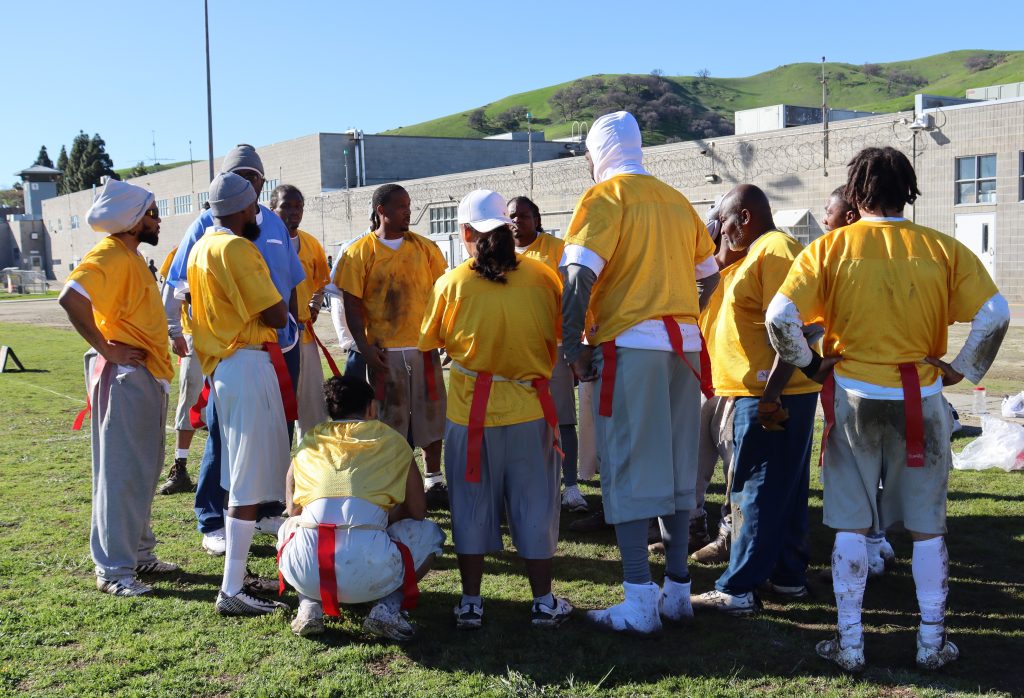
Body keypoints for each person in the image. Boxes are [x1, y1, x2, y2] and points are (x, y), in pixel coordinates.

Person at [767, 146, 1010, 671]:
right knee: (927, 526)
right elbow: (995, 314)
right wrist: (962, 369)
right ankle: (931, 642)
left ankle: (851, 643)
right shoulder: (942, 248)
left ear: (856, 194)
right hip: (920, 400)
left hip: (854, 397)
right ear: (910, 192)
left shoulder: (828, 249)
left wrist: (810, 366)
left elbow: (780, 317)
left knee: (851, 525)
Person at [560, 111, 719, 634]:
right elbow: (709, 274)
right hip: (683, 349)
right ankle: (677, 590)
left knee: (628, 468)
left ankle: (637, 597)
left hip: (630, 347)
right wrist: (680, 312)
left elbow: (580, 275)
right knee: (676, 471)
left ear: (597, 153)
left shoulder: (605, 198)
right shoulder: (674, 199)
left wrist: (573, 346)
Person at [418, 189, 572, 630]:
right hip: (528, 413)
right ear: (507, 227)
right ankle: (543, 602)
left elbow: (432, 343)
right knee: (536, 505)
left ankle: (471, 602)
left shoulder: (450, 284)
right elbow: (559, 333)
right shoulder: (544, 277)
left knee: (469, 505)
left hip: (471, 417)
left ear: (465, 232)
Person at [165, 144, 305, 554]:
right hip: (233, 351)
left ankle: (264, 508)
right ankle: (212, 516)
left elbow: (290, 283)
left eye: (252, 176)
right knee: (225, 436)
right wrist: (181, 331)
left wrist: (294, 329)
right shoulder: (210, 230)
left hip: (278, 347)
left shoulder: (274, 226)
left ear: (262, 183)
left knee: (277, 430)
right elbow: (180, 286)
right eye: (238, 176)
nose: (247, 183)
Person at [691, 185, 821, 615]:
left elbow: (798, 327)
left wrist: (771, 393)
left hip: (769, 392)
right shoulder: (751, 255)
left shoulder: (774, 249)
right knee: (780, 488)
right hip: (766, 391)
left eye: (724, 221)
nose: (720, 230)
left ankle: (738, 587)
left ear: (744, 217)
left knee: (753, 489)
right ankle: (786, 577)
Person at [59, 178, 179, 597]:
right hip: (126, 379)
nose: (157, 220)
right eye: (151, 213)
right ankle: (113, 569)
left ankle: (139, 554)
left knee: (143, 470)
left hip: (147, 377)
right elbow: (71, 297)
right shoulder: (109, 253)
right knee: (122, 473)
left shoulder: (128, 256)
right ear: (132, 221)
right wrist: (106, 348)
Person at [187, 172, 292, 616]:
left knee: (239, 479)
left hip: (226, 369)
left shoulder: (199, 248)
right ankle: (231, 590)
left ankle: (237, 579)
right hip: (246, 363)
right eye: (255, 208)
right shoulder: (236, 247)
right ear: (245, 207)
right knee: (248, 482)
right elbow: (276, 310)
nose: (258, 215)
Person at [279, 375, 445, 640]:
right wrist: (383, 517)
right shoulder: (392, 440)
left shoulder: (310, 440)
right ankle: (389, 607)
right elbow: (418, 511)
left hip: (309, 571)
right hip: (372, 567)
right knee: (431, 534)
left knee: (288, 525)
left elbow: (292, 508)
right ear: (371, 408)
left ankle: (309, 603)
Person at [335, 184, 449, 507]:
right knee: (390, 419)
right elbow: (352, 306)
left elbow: (442, 296)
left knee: (431, 414)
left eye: (409, 205)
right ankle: (395, 483)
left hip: (423, 349)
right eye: (401, 206)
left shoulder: (427, 249)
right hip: (384, 353)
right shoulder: (359, 253)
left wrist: (442, 337)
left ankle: (434, 480)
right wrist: (366, 348)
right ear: (381, 210)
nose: (408, 211)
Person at [821, 188, 896, 578]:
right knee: (878, 469)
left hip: (855, 382)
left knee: (855, 474)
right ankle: (878, 540)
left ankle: (866, 549)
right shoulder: (891, 255)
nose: (824, 221)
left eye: (828, 213)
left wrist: (809, 363)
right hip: (894, 385)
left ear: (850, 217)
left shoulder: (838, 257)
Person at [508, 195, 586, 513]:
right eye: (511, 216)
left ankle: (571, 486)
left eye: (523, 216)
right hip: (514, 352)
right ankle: (530, 481)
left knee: (562, 419)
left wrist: (573, 345)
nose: (516, 221)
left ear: (537, 219)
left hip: (553, 348)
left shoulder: (557, 248)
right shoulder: (501, 252)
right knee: (521, 420)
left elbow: (574, 296)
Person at [272, 184, 331, 440]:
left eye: (298, 207)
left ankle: (311, 462)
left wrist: (315, 306)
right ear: (272, 208)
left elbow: (321, 283)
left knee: (313, 405)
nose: (294, 212)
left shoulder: (311, 244)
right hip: (272, 339)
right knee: (279, 404)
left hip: (304, 337)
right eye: (286, 206)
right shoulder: (263, 243)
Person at [158, 243, 199, 496]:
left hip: (233, 338)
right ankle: (180, 467)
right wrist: (174, 331)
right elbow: (169, 288)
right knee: (189, 400)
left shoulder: (240, 241)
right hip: (195, 334)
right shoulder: (182, 250)